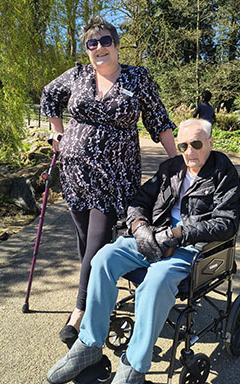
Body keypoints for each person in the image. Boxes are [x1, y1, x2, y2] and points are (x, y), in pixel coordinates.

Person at [46, 117, 240, 384]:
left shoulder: (223, 172)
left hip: (190, 249)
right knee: (103, 259)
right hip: (152, 239)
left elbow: (227, 223)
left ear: (210, 142)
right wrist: (139, 228)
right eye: (184, 144)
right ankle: (89, 344)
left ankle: (134, 369)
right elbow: (139, 200)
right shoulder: (171, 167)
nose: (189, 152)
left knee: (156, 280)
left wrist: (177, 235)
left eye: (196, 144)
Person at [41, 16, 178, 346]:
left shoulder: (136, 77)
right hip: (74, 173)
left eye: (105, 41)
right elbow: (48, 95)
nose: (99, 47)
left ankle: (79, 311)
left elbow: (158, 120)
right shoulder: (77, 75)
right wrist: (57, 131)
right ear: (87, 49)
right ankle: (98, 293)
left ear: (116, 45)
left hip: (114, 177)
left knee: (99, 243)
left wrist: (178, 161)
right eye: (92, 43)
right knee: (85, 240)